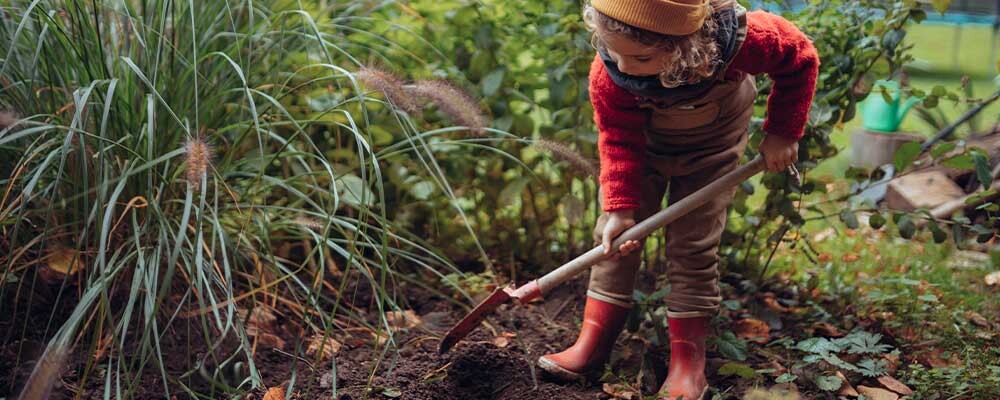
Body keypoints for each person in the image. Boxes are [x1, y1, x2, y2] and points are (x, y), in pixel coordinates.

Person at [536, 0, 820, 398]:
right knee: (613, 241)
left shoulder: (746, 40)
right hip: (643, 149)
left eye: (641, 56)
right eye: (611, 49)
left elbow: (800, 57)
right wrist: (620, 208)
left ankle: (688, 363)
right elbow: (617, 138)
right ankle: (592, 346)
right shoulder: (611, 72)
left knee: (694, 244)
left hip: (714, 146)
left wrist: (784, 132)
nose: (624, 65)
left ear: (686, 43)